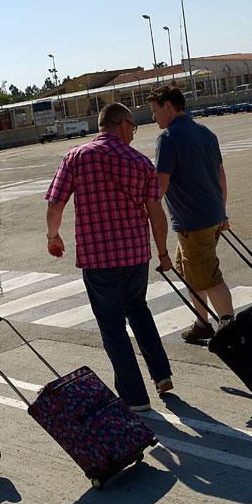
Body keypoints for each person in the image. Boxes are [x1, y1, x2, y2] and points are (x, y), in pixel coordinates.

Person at [45, 102, 174, 412]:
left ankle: (135, 398)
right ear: (121, 124)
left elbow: (56, 204)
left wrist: (53, 235)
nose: (134, 131)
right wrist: (163, 252)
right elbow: (157, 215)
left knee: (113, 328)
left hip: (98, 259)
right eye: (133, 126)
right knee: (138, 310)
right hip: (134, 255)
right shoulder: (140, 162)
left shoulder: (76, 157)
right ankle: (162, 375)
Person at [147, 85, 234, 343]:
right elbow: (221, 175)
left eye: (155, 110)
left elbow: (160, 185)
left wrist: (145, 210)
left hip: (193, 222)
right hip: (212, 216)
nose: (153, 117)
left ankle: (230, 328)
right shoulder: (206, 133)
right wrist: (222, 212)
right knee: (189, 270)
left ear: (169, 107)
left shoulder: (168, 138)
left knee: (209, 275)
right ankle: (202, 322)